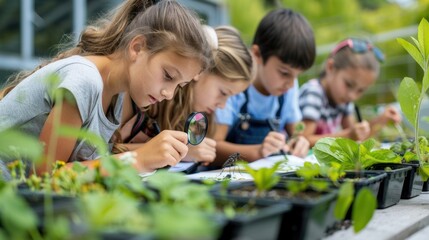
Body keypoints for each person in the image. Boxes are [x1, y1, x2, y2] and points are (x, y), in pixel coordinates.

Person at [0, 0, 212, 175]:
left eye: (180, 85)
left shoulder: (116, 97)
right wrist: (137, 159)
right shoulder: (84, 80)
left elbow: (86, 166)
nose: (169, 94)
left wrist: (153, 152)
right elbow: (46, 177)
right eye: (168, 76)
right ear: (137, 48)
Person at [114, 26, 254, 167]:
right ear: (201, 70)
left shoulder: (197, 116)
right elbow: (106, 153)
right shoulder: (149, 97)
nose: (222, 105)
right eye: (223, 93)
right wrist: (179, 152)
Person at [212, 8, 316, 166]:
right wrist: (258, 152)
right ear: (257, 54)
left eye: (297, 76)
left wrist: (299, 142)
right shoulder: (234, 84)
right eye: (284, 73)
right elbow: (214, 147)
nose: (290, 84)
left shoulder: (288, 87)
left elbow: (296, 133)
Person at [298, 37, 402, 146]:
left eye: (360, 90)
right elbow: (304, 140)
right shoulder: (314, 93)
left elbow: (357, 138)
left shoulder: (343, 100)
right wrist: (348, 135)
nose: (352, 95)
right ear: (330, 67)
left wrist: (381, 120)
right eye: (348, 84)